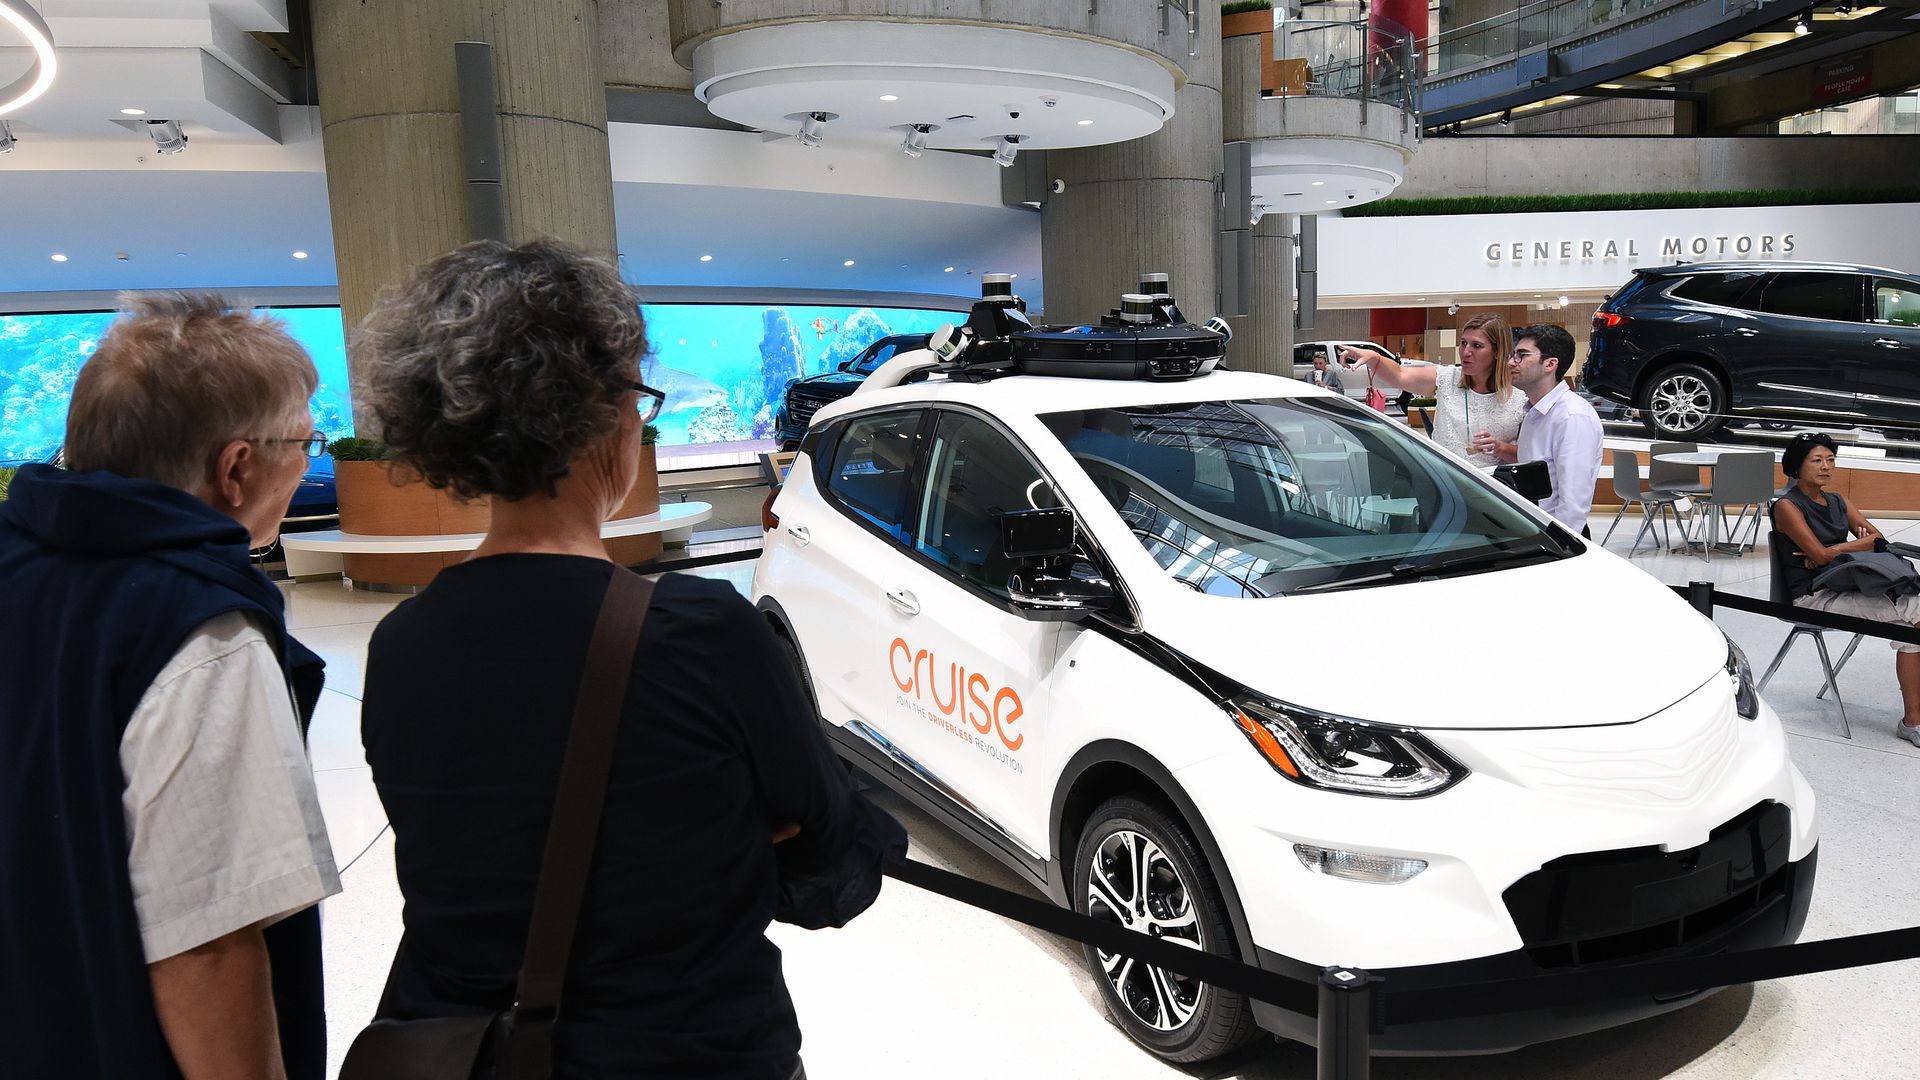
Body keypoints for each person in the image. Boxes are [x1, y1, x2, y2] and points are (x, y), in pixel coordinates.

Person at [356, 238, 907, 1080]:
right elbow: (833, 864)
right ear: (606, 415)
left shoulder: (401, 646)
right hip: (692, 1049)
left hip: (470, 1054)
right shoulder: (699, 633)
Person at [0, 295, 340, 1080]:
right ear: (236, 468)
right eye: (305, 442)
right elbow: (207, 946)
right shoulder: (198, 629)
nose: (308, 463)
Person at [1772, 432, 1920, 747]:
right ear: (1796, 466)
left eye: (1830, 459)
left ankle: (1912, 721)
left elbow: (1877, 539)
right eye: (1817, 460)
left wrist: (1837, 551)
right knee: (1916, 613)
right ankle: (1913, 722)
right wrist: (1851, 547)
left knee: (1912, 631)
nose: (1826, 466)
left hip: (1847, 583)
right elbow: (1826, 554)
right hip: (1813, 596)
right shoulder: (1787, 505)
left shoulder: (1839, 501)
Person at [1337, 314, 1525, 465]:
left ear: (1498, 351)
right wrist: (1374, 358)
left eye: (1477, 346)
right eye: (1463, 343)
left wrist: (1500, 447)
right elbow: (1400, 375)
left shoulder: (1521, 398)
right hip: (1445, 484)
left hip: (1496, 496)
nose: (1466, 351)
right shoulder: (1447, 378)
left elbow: (1531, 456)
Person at [1505, 323, 1604, 535]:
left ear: (1550, 364)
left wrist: (1558, 545)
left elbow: (1573, 501)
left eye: (1522, 355)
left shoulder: (1572, 416)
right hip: (1533, 527)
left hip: (1558, 534)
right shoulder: (1533, 412)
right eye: (1513, 354)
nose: (1512, 362)